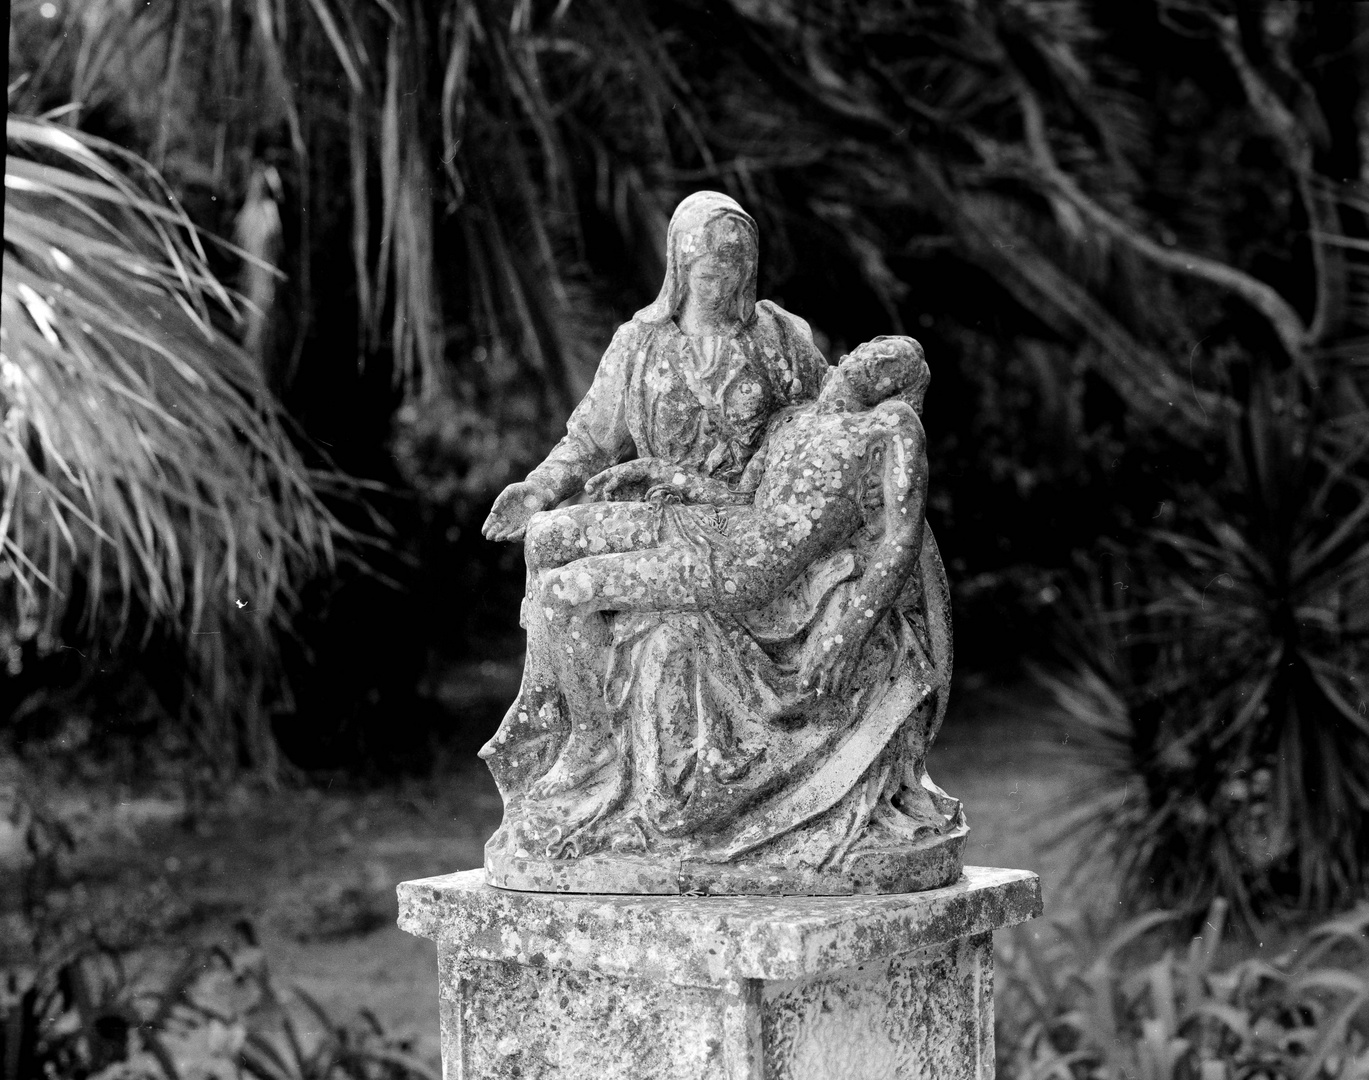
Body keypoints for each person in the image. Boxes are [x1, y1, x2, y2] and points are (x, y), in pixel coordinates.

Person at [529, 336, 931, 706]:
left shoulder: (889, 424)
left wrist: (848, 633)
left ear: (892, 391)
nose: (877, 360)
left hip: (748, 566)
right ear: (850, 353)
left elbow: (902, 536)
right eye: (879, 349)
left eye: (890, 367)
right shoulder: (790, 420)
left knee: (563, 591)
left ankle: (591, 742)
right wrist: (655, 471)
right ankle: (548, 711)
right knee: (546, 534)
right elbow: (739, 498)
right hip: (717, 524)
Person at [482, 190, 826, 544]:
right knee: (546, 540)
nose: (721, 289)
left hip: (759, 522)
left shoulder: (777, 333)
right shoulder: (638, 344)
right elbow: (590, 442)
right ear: (680, 267)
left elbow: (826, 415)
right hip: (667, 519)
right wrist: (538, 490)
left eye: (734, 274)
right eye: (708, 276)